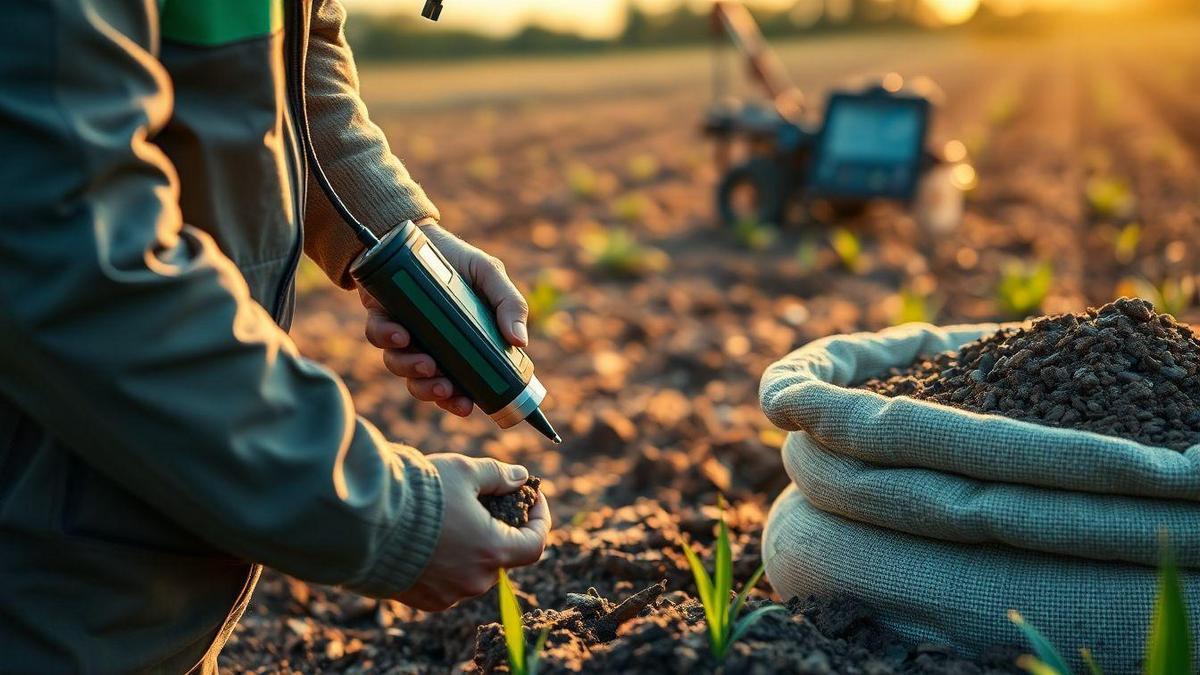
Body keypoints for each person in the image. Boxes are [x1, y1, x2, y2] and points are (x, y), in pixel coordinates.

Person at [0, 0, 551, 672]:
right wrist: (388, 518)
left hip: (140, 533)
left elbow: (293, 54)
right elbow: (74, 258)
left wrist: (393, 234)